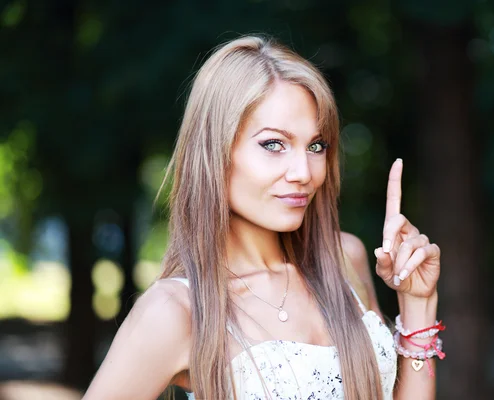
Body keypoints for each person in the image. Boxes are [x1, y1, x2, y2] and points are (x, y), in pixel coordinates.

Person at [82, 35, 442, 400]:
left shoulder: (344, 258)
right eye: (274, 144)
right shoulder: (177, 311)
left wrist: (418, 304)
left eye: (316, 146)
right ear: (215, 152)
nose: (304, 171)